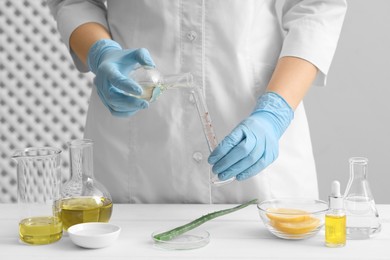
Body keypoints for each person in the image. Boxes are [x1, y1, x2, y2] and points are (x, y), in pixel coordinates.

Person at [47, 0, 347, 203]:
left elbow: (317, 6)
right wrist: (101, 52)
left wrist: (276, 111)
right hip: (136, 153)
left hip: (256, 134)